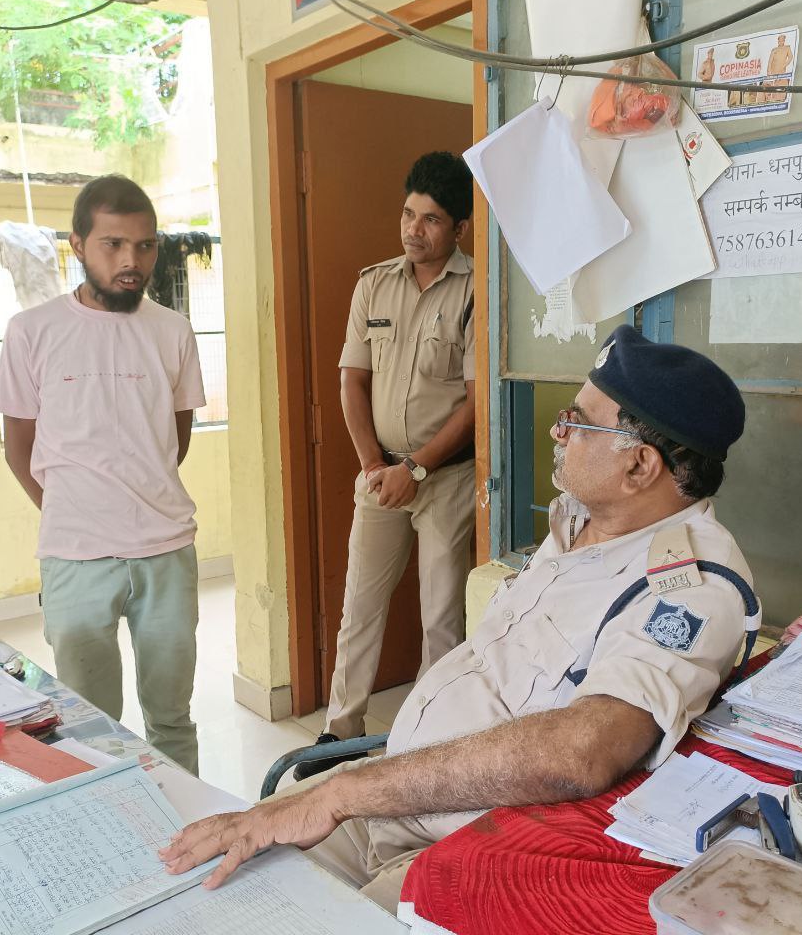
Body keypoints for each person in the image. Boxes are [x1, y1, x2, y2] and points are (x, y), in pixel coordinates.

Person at [161, 325, 755, 911]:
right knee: (210, 876)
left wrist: (344, 791)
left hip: (468, 848)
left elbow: (582, 751)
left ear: (639, 467)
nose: (556, 430)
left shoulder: (691, 587)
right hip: (395, 791)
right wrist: (353, 789)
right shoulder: (584, 517)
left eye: (576, 422)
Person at [0, 174, 205, 774]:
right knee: (91, 724)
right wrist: (73, 505)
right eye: (113, 244)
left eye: (143, 245)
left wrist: (137, 491)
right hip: (74, 556)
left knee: (171, 720)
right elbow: (19, 447)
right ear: (77, 244)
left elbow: (174, 437)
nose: (130, 261)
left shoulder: (172, 330)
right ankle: (113, 844)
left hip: (166, 550)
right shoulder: (32, 332)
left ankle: (189, 831)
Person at [293, 152, 478, 780]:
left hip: (446, 480)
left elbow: (479, 404)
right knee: (359, 607)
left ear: (459, 227)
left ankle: (429, 737)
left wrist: (416, 470)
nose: (413, 229)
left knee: (442, 616)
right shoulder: (374, 283)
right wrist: (374, 464)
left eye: (430, 219)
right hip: (379, 479)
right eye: (408, 213)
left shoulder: (477, 289)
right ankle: (338, 730)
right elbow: (352, 380)